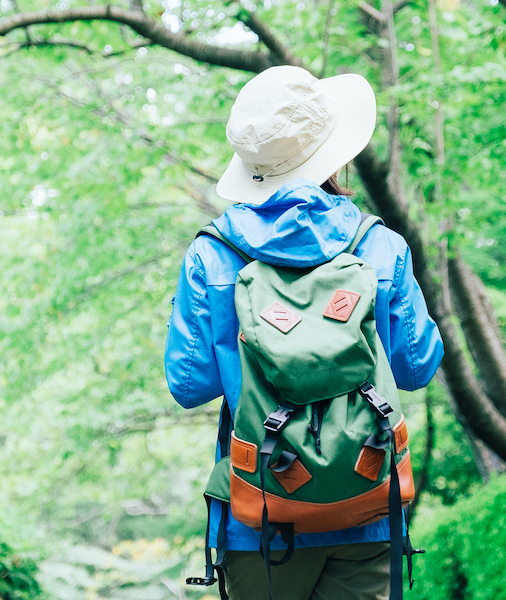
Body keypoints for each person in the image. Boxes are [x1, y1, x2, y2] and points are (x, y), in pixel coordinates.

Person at [164, 65, 444, 600]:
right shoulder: (379, 246)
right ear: (333, 154)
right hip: (368, 496)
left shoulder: (212, 255)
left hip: (261, 508)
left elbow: (189, 384)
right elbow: (417, 367)